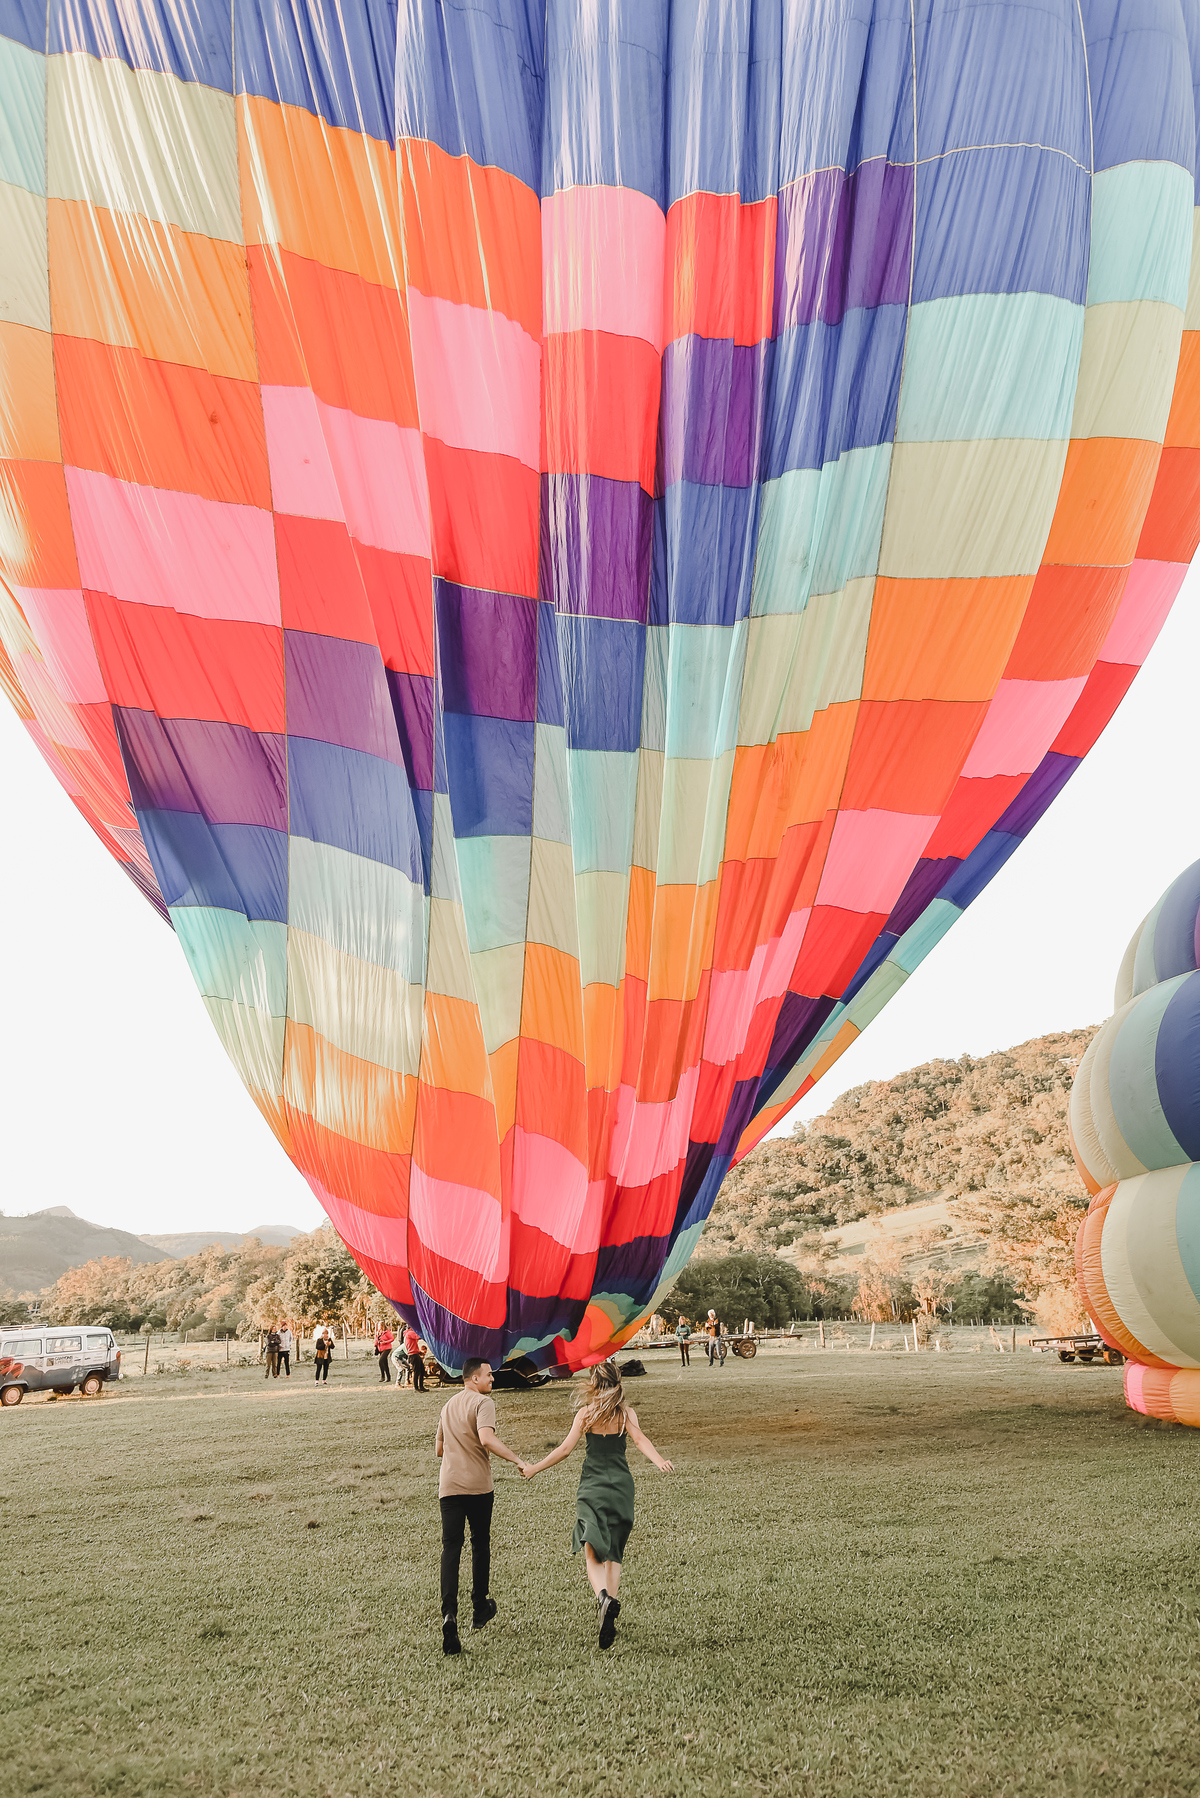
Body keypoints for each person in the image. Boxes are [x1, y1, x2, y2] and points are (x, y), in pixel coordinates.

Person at [522, 1360, 672, 1650]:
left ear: (594, 1382)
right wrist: (660, 1461)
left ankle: (603, 1597)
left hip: (593, 1486)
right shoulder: (626, 1414)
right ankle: (608, 1614)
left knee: (591, 1546)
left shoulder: (586, 1414)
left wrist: (534, 1468)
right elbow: (640, 1441)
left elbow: (565, 1449)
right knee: (614, 1551)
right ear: (618, 1381)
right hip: (621, 1487)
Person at [435, 1358, 528, 1654]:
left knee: (451, 1548)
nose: (493, 1379)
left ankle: (449, 1613)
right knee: (480, 1544)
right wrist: (517, 1460)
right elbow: (487, 1439)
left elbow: (439, 1449)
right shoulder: (483, 1403)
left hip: (448, 1487)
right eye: (489, 1375)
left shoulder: (448, 1405)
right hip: (477, 1487)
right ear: (474, 1378)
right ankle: (479, 1606)